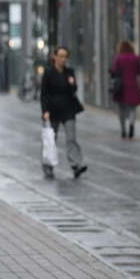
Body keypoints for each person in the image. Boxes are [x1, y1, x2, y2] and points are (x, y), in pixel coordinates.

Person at [40, 46, 87, 179]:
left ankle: (76, 164)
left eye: (65, 56)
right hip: (53, 110)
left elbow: (73, 90)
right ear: (55, 57)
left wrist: (72, 84)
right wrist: (45, 111)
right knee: (50, 139)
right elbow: (44, 94)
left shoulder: (69, 72)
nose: (63, 59)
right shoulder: (48, 73)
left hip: (68, 110)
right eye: (60, 56)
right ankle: (48, 166)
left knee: (71, 138)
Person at [112, 40, 140, 139]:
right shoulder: (135, 58)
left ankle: (123, 130)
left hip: (121, 86)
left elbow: (114, 71)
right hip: (133, 85)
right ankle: (132, 123)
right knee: (132, 108)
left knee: (121, 108)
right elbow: (139, 71)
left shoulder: (119, 57)